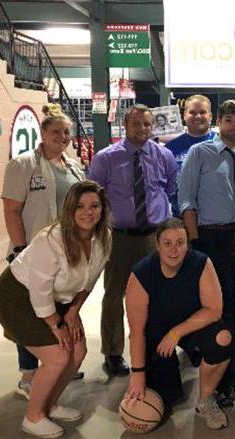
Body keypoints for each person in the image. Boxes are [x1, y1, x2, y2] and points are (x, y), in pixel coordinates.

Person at [0, 181, 111, 438]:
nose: (88, 212)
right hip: (18, 297)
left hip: (59, 300)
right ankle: (33, 417)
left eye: (94, 206)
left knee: (78, 351)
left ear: (103, 209)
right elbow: (40, 291)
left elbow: (88, 282)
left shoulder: (103, 238)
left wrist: (72, 312)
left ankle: (50, 404)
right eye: (80, 206)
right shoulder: (51, 239)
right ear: (69, 209)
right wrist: (56, 324)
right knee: (58, 356)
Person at [1, 103, 86, 399]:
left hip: (67, 252)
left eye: (65, 132)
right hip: (33, 254)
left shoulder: (73, 165)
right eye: (55, 132)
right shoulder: (23, 165)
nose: (61, 137)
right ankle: (28, 375)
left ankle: (57, 362)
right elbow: (12, 210)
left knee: (58, 306)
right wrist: (20, 249)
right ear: (43, 134)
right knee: (30, 314)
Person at [89, 104, 178, 377]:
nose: (142, 129)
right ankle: (113, 353)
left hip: (154, 237)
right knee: (114, 296)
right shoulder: (105, 158)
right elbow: (94, 198)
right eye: (137, 124)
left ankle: (156, 345)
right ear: (125, 126)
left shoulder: (164, 156)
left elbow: (170, 190)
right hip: (120, 238)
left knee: (159, 295)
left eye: (147, 124)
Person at [178, 99, 235, 406]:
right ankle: (220, 377)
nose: (234, 126)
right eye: (228, 120)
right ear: (219, 122)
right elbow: (186, 200)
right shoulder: (200, 153)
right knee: (217, 309)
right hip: (208, 239)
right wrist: (195, 245)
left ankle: (233, 362)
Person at [123, 218, 233, 430]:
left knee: (223, 338)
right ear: (157, 245)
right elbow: (136, 332)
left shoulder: (201, 263)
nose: (174, 250)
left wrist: (175, 333)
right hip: (156, 335)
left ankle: (205, 400)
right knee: (165, 398)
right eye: (167, 243)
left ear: (187, 243)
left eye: (180, 242)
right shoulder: (141, 273)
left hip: (190, 327)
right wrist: (137, 374)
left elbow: (214, 310)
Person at [165, 95, 216, 172]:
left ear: (210, 116)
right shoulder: (170, 148)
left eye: (202, 112)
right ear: (185, 116)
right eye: (192, 112)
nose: (198, 116)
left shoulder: (223, 144)